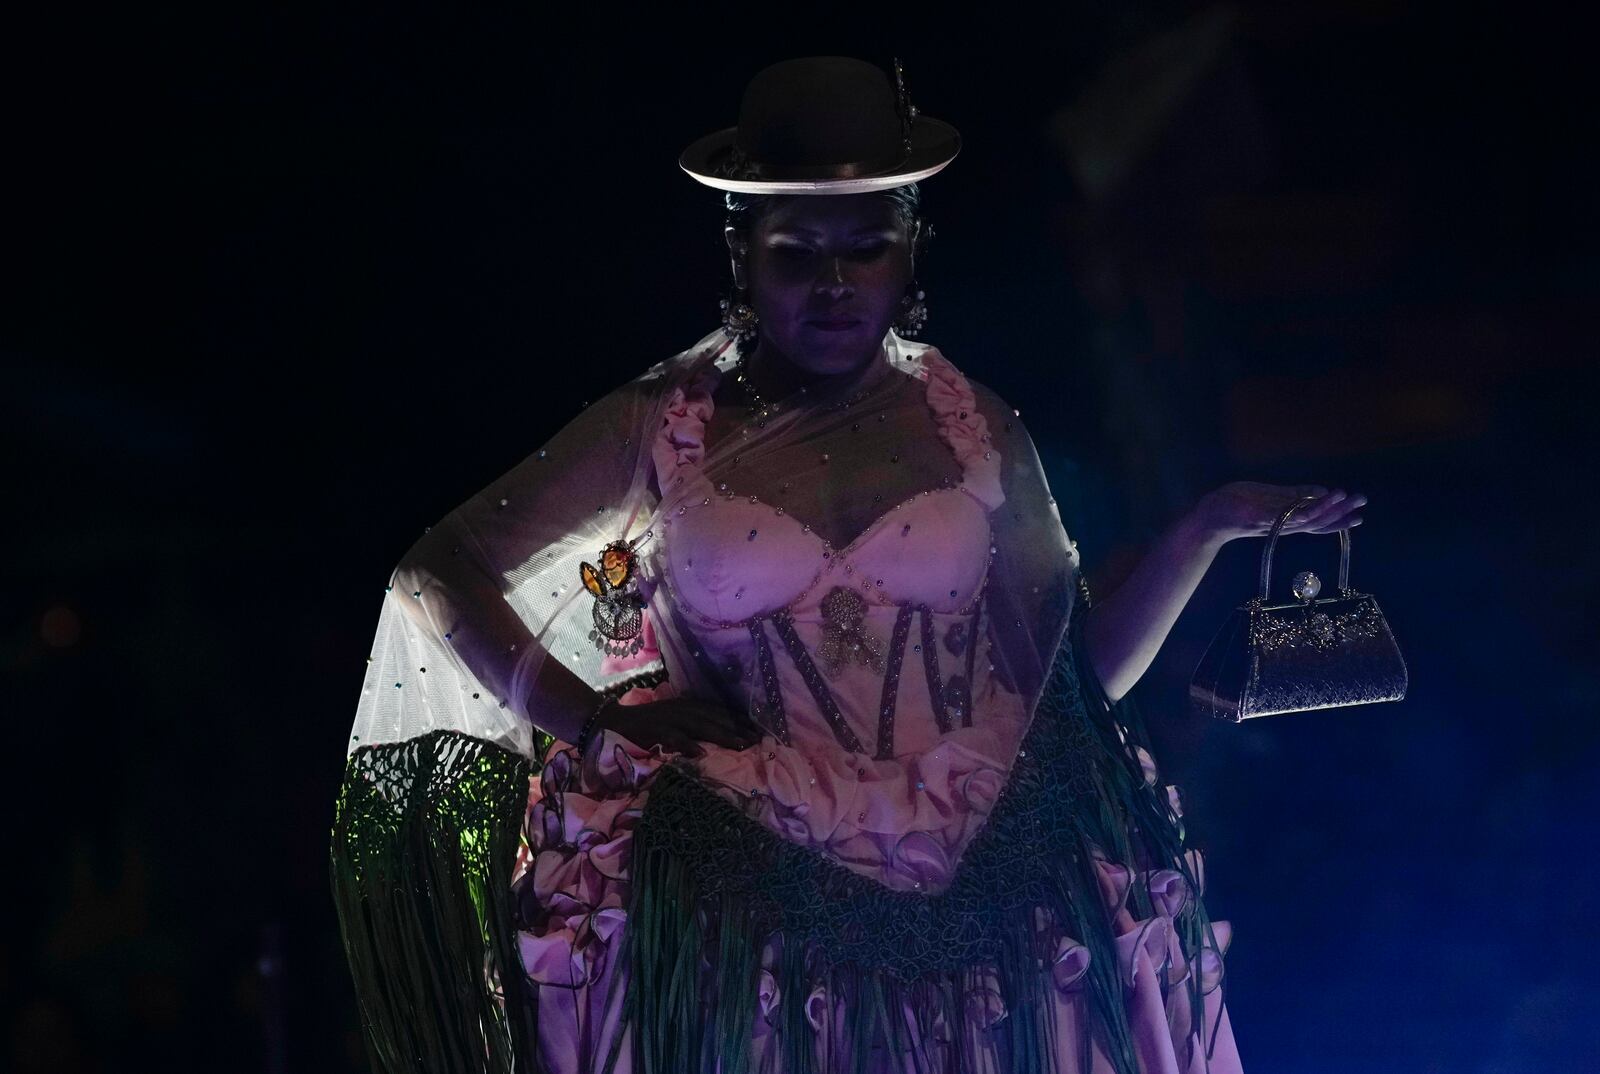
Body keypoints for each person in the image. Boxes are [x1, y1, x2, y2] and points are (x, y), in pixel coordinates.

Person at [331, 56, 1366, 1074]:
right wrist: (590, 714)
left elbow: (1075, 686)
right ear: (742, 255)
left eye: (864, 248)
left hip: (984, 869)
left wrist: (1208, 529)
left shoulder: (972, 427)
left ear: (909, 252)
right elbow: (440, 571)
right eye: (797, 253)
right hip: (741, 876)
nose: (833, 285)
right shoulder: (658, 426)